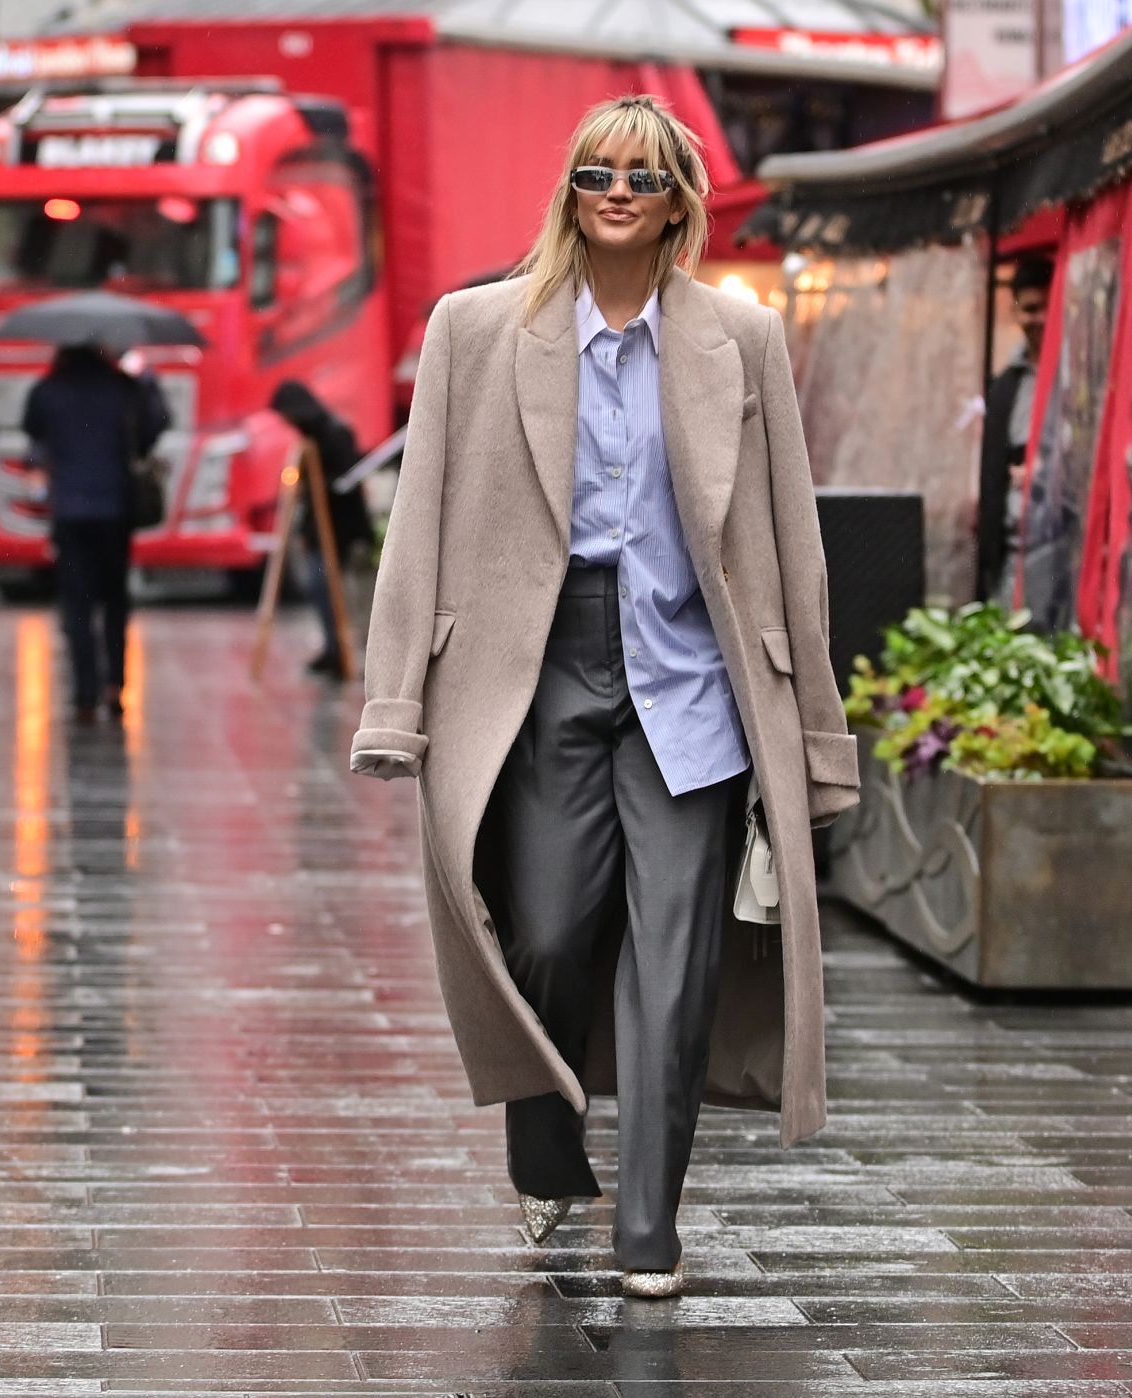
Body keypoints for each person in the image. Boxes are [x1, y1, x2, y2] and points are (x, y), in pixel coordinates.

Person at [349, 95, 859, 1297]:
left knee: (677, 960)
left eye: (638, 175)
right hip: (536, 668)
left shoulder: (739, 337)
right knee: (543, 927)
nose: (614, 192)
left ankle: (648, 1227)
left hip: (693, 679)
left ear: (679, 196)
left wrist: (817, 736)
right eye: (593, 173)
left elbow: (793, 542)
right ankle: (541, 1149)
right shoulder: (475, 330)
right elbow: (414, 524)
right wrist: (393, 703)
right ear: (568, 193)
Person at [22, 342, 170, 721]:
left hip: (69, 511)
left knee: (77, 603)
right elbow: (152, 430)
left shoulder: (49, 389)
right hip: (114, 509)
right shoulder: (124, 388)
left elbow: (32, 430)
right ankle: (114, 686)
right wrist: (147, 380)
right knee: (115, 600)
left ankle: (85, 694)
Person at [268, 381, 372, 675]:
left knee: (325, 587)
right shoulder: (314, 436)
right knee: (320, 588)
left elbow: (343, 483)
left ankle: (337, 650)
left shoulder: (333, 434)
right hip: (322, 527)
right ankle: (332, 648)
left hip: (338, 527)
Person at [977, 256, 1053, 605]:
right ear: (1018, 311)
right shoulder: (1006, 385)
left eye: (1048, 306)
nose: (1040, 319)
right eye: (1031, 308)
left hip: (1064, 542)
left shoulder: (1079, 376)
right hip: (1015, 541)